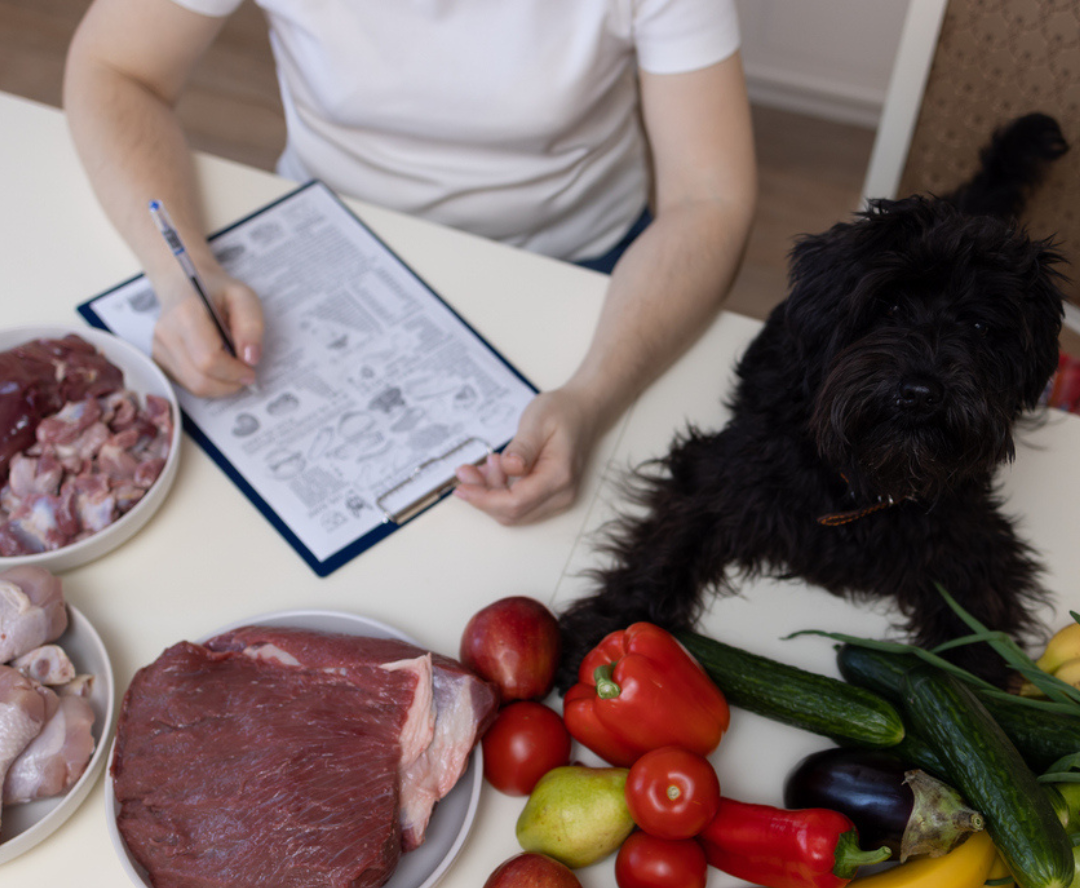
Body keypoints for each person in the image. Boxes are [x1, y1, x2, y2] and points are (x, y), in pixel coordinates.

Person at [63, 0, 757, 525]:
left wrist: (593, 394)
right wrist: (182, 273)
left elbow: (710, 197)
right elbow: (114, 68)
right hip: (330, 253)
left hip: (575, 269)